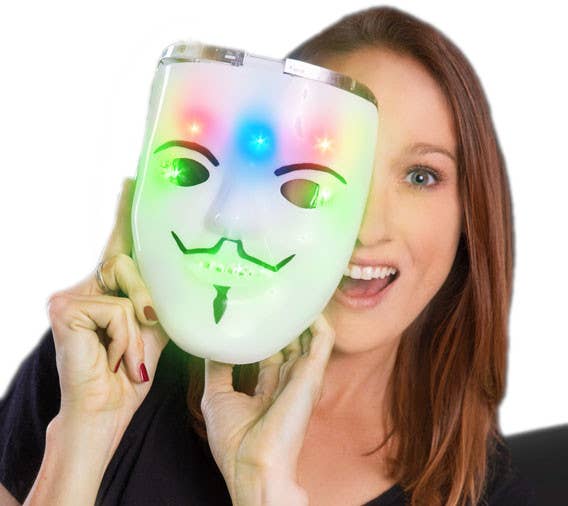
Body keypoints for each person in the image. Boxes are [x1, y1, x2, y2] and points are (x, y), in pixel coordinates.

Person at [0, 6, 537, 506]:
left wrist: (263, 485)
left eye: (420, 176)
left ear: (471, 212)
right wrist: (84, 437)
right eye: (317, 175)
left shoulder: (496, 495)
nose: (366, 228)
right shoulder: (99, 365)